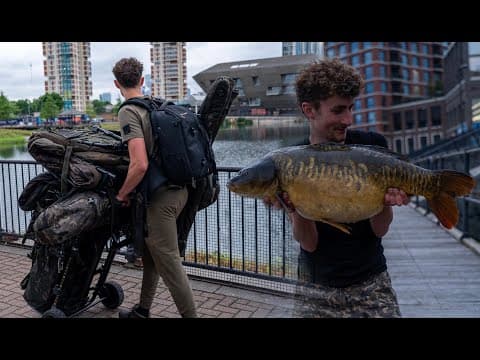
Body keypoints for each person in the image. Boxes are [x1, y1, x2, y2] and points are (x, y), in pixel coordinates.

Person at [265, 58, 408, 318]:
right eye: (339, 110)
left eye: (351, 108)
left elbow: (380, 229)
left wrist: (385, 201)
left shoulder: (371, 146)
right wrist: (293, 207)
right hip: (315, 288)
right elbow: (309, 243)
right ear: (309, 110)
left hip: (371, 284)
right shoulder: (289, 160)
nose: (348, 119)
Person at [112, 57, 197, 318]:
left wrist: (122, 193)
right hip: (181, 189)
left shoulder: (129, 110)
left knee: (169, 262)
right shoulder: (157, 104)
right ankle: (143, 310)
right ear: (141, 80)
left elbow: (139, 164)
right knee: (152, 255)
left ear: (117, 83)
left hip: (160, 198)